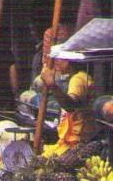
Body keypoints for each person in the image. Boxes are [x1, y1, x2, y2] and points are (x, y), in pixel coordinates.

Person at [39, 25, 98, 157]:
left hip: (78, 145)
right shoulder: (73, 77)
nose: (55, 62)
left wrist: (52, 85)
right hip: (68, 144)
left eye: (59, 58)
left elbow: (70, 105)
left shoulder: (79, 79)